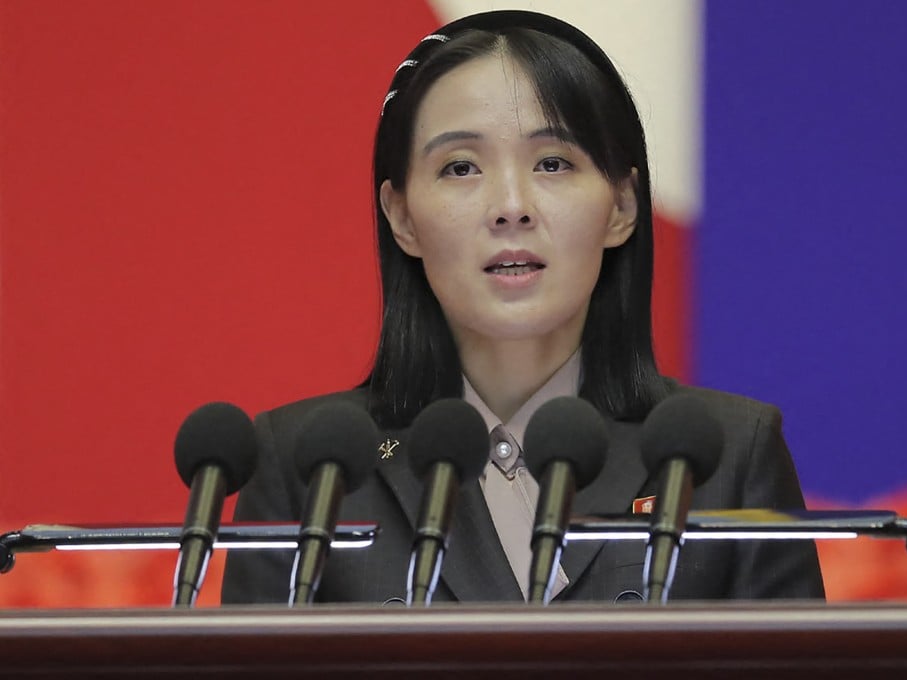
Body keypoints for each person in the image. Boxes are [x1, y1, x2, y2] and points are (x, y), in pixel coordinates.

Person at [222, 10, 824, 604]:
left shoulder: (729, 455)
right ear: (401, 216)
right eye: (461, 167)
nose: (511, 205)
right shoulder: (310, 467)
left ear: (621, 206)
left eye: (552, 163)